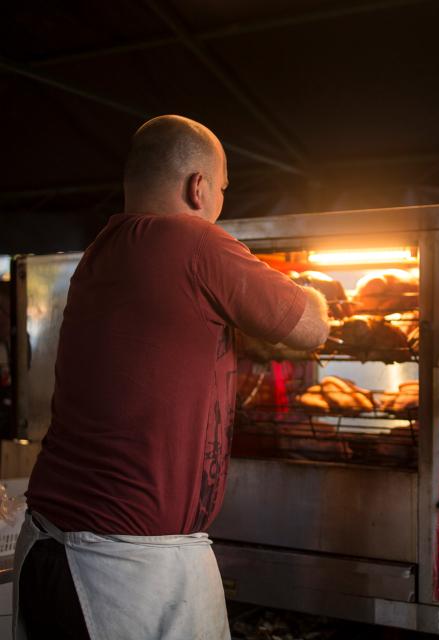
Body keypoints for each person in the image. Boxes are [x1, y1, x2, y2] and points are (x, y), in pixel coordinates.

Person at [13, 115, 330, 640]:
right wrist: (315, 289)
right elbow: (310, 327)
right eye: (223, 187)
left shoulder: (101, 253)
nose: (220, 200)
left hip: (54, 545)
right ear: (198, 186)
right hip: (123, 569)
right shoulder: (194, 241)